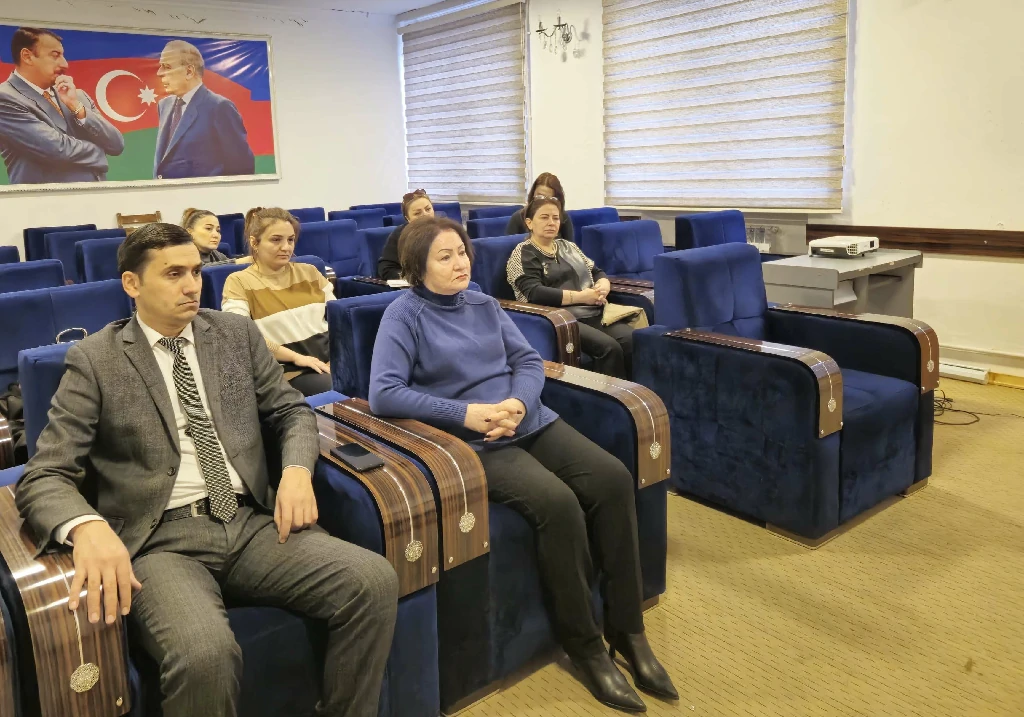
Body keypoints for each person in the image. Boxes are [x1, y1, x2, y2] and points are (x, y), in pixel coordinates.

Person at [15, 222, 398, 717]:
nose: (192, 285)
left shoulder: (234, 334)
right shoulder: (95, 359)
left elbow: (290, 412)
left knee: (373, 582)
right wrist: (87, 527)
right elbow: (45, 473)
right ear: (132, 284)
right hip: (161, 541)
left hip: (251, 521)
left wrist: (296, 471)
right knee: (204, 654)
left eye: (196, 271)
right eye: (173, 274)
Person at [368, 216, 676, 713]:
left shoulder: (484, 304)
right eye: (444, 257)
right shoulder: (403, 316)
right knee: (558, 504)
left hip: (528, 419)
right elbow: (384, 393)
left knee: (613, 479)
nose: (459, 263)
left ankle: (628, 629)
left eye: (461, 252)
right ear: (417, 268)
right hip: (476, 442)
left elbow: (528, 362)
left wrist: (517, 402)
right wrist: (466, 413)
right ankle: (586, 646)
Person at [507, 197, 635, 378]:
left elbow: (596, 271)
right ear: (529, 223)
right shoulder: (523, 253)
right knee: (609, 348)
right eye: (544, 217)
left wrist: (603, 285)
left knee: (632, 339)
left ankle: (635, 392)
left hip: (592, 311)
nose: (551, 222)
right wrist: (582, 297)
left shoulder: (568, 246)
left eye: (556, 218)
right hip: (558, 319)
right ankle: (608, 396)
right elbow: (534, 293)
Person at [221, 207, 333, 396]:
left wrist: (337, 358)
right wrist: (297, 358)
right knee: (338, 387)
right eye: (276, 240)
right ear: (254, 242)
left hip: (327, 363)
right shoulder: (239, 282)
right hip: (286, 372)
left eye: (290, 240)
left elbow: (338, 320)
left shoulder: (310, 272)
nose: (286, 247)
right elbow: (242, 336)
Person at [0, 27, 124, 184]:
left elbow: (116, 144)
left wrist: (76, 107)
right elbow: (56, 149)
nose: (65, 64)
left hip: (97, 195)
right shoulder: (6, 98)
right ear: (27, 56)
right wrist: (100, 151)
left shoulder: (77, 96)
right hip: (48, 198)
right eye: (55, 55)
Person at [154, 40, 255, 179]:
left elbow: (242, 168)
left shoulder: (220, 107)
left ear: (189, 71)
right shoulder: (164, 105)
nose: (159, 73)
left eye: (167, 67)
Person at [376, 188, 435, 281]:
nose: (425, 215)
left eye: (428, 209)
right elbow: (386, 268)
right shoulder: (399, 235)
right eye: (417, 213)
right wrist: (409, 278)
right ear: (408, 218)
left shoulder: (445, 230)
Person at [505, 172, 574, 241]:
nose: (544, 202)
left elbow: (570, 245)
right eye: (540, 197)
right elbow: (509, 245)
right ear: (533, 195)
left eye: (551, 198)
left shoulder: (563, 217)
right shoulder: (518, 218)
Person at [180, 208, 250, 265]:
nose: (216, 235)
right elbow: (201, 269)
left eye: (218, 230)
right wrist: (237, 262)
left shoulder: (216, 254)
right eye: (208, 228)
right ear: (189, 232)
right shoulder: (182, 254)